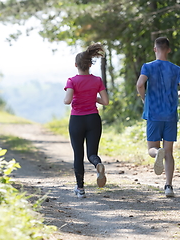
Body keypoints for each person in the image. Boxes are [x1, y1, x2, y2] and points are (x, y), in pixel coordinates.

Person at [136, 37, 180, 197]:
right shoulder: (176, 69)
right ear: (169, 49)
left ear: (155, 49)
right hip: (170, 114)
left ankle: (156, 152)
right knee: (169, 152)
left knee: (152, 149)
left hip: (153, 113)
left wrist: (144, 97)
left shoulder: (148, 67)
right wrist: (177, 96)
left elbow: (140, 84)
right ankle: (168, 187)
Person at [64, 43, 109, 198]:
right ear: (90, 64)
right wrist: (93, 97)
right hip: (93, 119)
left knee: (78, 155)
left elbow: (67, 100)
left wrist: (70, 96)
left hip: (77, 120)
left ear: (76, 65)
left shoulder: (72, 81)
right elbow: (105, 101)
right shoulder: (97, 80)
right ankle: (98, 164)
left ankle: (81, 189)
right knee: (91, 153)